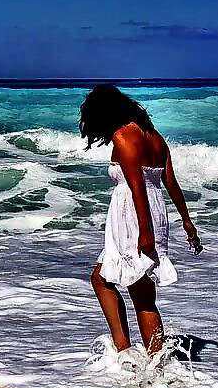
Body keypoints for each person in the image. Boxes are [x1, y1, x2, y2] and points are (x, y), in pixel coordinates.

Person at [80, 84, 201, 355]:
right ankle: (142, 357)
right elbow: (170, 183)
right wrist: (186, 221)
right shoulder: (155, 138)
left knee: (131, 290)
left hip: (134, 218)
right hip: (155, 214)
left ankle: (140, 359)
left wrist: (143, 233)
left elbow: (137, 188)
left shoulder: (124, 136)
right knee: (119, 284)